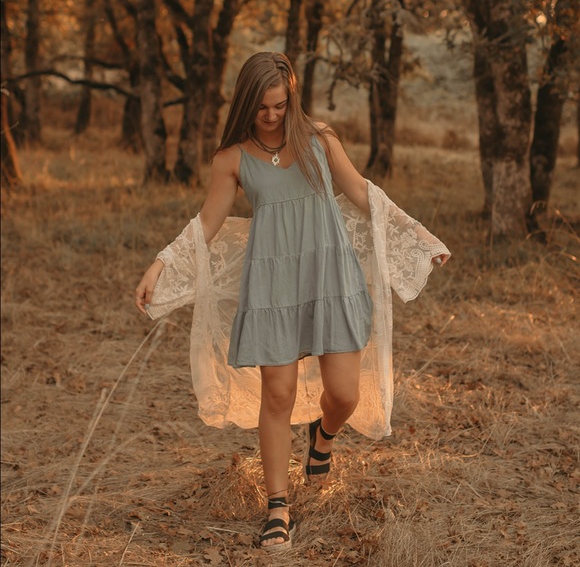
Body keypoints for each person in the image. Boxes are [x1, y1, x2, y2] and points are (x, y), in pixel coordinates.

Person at [135, 51, 450, 553]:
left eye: (280, 105)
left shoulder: (319, 140)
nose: (272, 115)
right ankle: (278, 507)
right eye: (262, 107)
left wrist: (417, 235)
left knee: (344, 395)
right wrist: (160, 264)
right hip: (273, 288)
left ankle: (322, 437)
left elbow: (362, 193)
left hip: (331, 279)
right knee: (277, 397)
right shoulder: (232, 159)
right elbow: (206, 225)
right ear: (246, 103)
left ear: (292, 97)